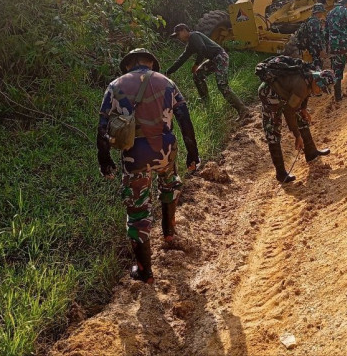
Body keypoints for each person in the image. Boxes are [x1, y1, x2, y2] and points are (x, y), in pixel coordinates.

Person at [97, 48, 198, 284]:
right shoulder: (167, 82)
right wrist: (193, 153)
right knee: (169, 185)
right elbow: (184, 118)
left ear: (128, 64)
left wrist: (105, 160)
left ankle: (145, 271)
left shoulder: (114, 86)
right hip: (166, 150)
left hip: (135, 156)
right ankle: (169, 235)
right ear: (151, 63)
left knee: (138, 210)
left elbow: (103, 128)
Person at [258, 63, 335, 183]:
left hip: (287, 93)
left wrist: (303, 109)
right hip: (270, 94)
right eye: (321, 89)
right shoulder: (301, 86)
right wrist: (297, 136)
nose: (320, 92)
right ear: (317, 81)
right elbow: (289, 112)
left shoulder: (311, 76)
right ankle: (281, 173)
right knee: (273, 130)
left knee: (302, 117)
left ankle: (311, 153)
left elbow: (307, 94)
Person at [166, 23, 249, 117]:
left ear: (184, 30)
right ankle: (206, 103)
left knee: (222, 85)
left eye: (178, 34)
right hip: (214, 59)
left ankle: (243, 110)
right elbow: (181, 59)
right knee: (197, 75)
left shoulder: (194, 35)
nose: (178, 38)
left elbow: (202, 49)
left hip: (220, 57)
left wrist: (196, 64)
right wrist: (168, 72)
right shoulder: (190, 45)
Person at [293, 3, 329, 68]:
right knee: (316, 66)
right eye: (322, 12)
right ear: (319, 12)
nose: (322, 14)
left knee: (311, 65)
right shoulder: (314, 22)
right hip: (313, 49)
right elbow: (315, 38)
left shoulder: (310, 20)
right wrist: (320, 50)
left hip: (309, 48)